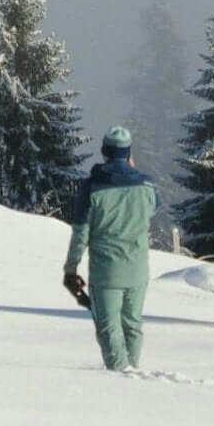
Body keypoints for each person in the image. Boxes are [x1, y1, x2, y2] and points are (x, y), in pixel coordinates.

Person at [63, 125, 159, 371]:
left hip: (106, 272)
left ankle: (122, 378)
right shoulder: (147, 186)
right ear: (128, 153)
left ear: (104, 152)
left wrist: (71, 269)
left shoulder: (92, 188)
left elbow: (81, 233)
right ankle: (134, 371)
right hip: (138, 270)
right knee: (133, 325)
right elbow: (151, 211)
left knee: (109, 329)